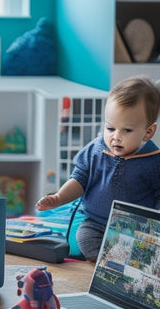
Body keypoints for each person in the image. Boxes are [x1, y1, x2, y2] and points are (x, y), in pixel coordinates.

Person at [36, 75, 160, 262]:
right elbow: (80, 178)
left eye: (126, 130)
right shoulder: (96, 148)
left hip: (136, 229)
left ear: (148, 132)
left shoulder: (153, 161)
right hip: (96, 223)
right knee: (83, 237)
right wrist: (59, 197)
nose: (116, 137)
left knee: (147, 251)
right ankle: (107, 263)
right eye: (110, 128)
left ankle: (128, 263)